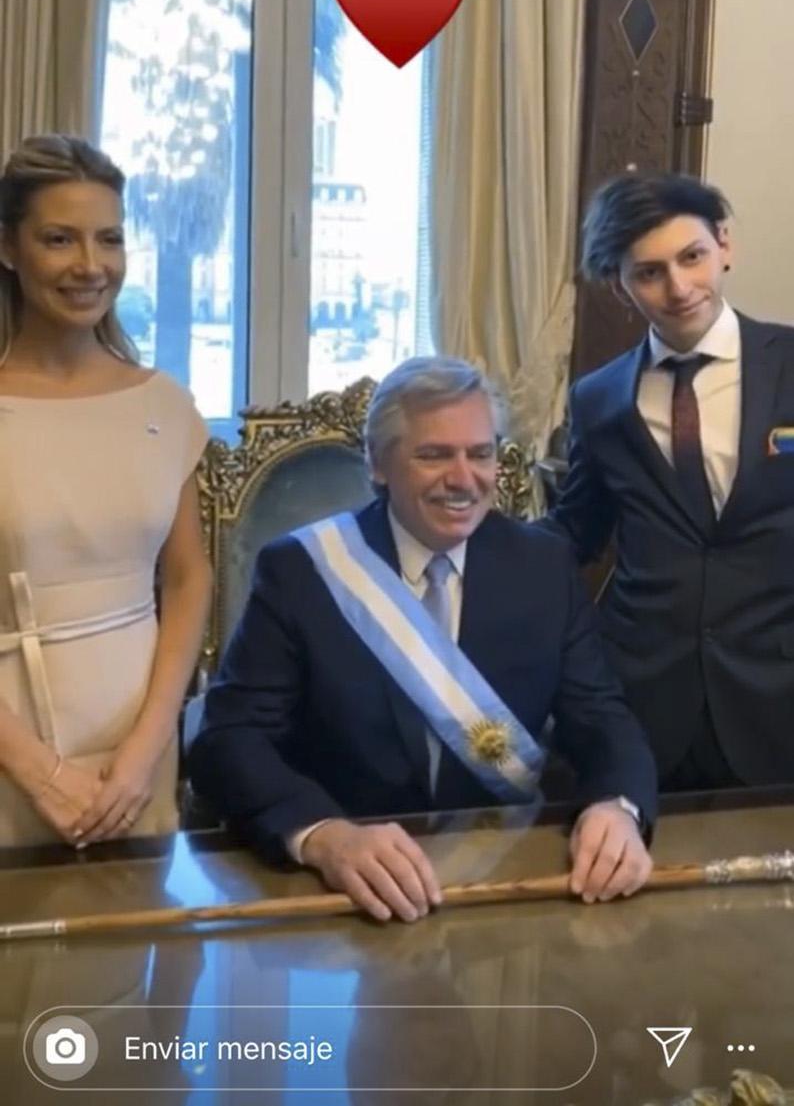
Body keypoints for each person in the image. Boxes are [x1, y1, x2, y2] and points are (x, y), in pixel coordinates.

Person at [190, 357, 657, 922]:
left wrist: (618, 806)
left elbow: (602, 718)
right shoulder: (301, 572)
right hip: (345, 891)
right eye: (434, 454)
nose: (464, 479)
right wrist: (323, 837)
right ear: (378, 463)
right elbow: (228, 741)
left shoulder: (544, 565)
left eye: (480, 453)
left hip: (504, 888)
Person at [546, 171, 794, 791]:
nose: (679, 288)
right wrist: (465, 549)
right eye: (649, 272)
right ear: (620, 286)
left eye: (693, 257)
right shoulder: (598, 399)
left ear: (724, 246)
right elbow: (575, 533)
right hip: (643, 694)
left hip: (780, 689)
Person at [0, 134, 211, 848]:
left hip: (136, 759)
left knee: (126, 952)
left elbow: (187, 580)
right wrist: (36, 769)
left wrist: (150, 744)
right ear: (8, 248)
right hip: (12, 756)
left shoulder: (165, 404)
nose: (90, 265)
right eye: (59, 239)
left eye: (109, 239)